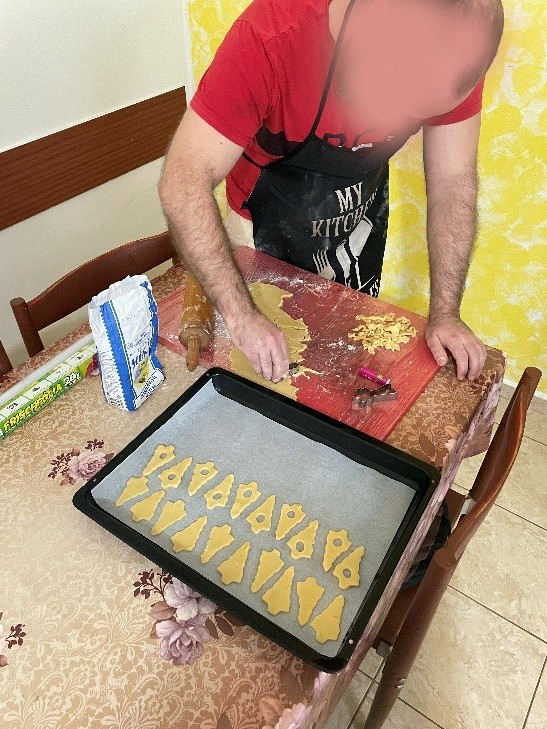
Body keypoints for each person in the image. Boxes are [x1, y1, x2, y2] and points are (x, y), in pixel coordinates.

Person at [160, 0, 504, 385]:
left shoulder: (453, 46)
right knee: (268, 379)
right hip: (262, 229)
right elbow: (183, 181)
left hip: (357, 221)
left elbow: (452, 180)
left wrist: (445, 313)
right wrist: (241, 317)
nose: (393, 122)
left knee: (338, 369)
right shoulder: (270, 37)